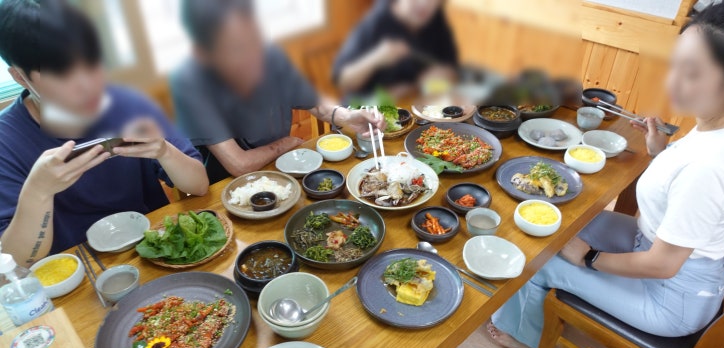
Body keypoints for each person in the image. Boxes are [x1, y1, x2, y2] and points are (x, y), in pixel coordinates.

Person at [490, 1, 724, 348]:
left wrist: (589, 257)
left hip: (670, 298)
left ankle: (520, 337)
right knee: (562, 221)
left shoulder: (709, 167)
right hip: (663, 251)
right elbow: (684, 193)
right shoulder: (722, 131)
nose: (672, 80)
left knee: (539, 260)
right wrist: (659, 151)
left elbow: (663, 265)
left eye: (692, 72)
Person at [0, 0, 209, 266]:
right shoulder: (6, 141)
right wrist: (38, 191)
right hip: (75, 274)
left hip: (153, 252)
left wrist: (165, 151)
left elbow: (198, 185)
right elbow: (17, 260)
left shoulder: (128, 102)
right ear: (20, 77)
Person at [172, 0, 385, 183]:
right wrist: (287, 143)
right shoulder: (192, 82)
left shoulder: (270, 55)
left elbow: (318, 107)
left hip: (284, 169)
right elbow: (239, 165)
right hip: (231, 188)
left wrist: (348, 116)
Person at [332, 0, 458, 98]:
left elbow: (452, 68)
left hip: (415, 108)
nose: (424, 3)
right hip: (364, 112)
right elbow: (343, 81)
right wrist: (376, 58)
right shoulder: (375, 22)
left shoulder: (437, 22)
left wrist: (441, 74)